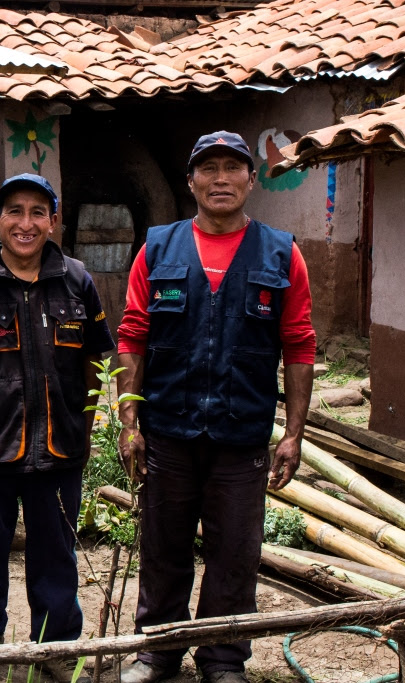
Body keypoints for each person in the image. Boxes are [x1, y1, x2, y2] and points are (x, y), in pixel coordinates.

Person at [115, 132, 316, 683]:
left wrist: (293, 433)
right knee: (164, 546)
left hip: (241, 433)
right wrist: (127, 422)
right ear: (191, 182)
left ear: (252, 181)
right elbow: (132, 334)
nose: (220, 178)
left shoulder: (281, 253)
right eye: (209, 169)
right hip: (169, 430)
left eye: (233, 168)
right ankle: (158, 651)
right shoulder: (158, 248)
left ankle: (223, 659)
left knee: (234, 553)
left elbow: (299, 344)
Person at [0, 173, 115, 680]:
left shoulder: (77, 279)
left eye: (39, 212)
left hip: (59, 452)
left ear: (53, 221)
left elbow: (95, 360)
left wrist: (85, 424)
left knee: (57, 558)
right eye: (14, 211)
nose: (26, 223)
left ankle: (55, 651)